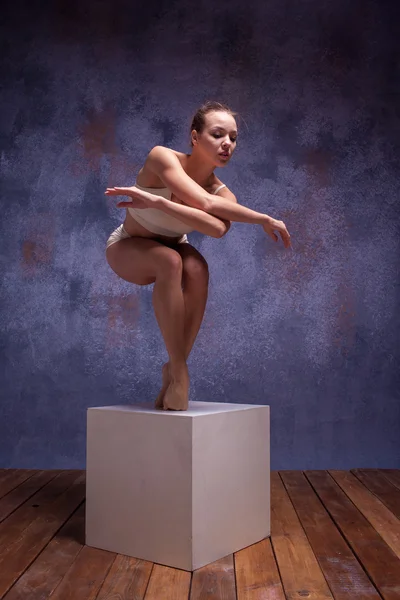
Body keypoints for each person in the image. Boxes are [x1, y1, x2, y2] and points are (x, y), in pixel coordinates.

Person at [105, 101, 291, 411]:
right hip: (127, 246)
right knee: (171, 260)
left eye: (233, 138)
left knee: (196, 267)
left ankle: (174, 370)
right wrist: (263, 218)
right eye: (218, 134)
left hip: (173, 247)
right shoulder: (161, 157)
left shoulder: (224, 195)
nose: (227, 144)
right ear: (194, 137)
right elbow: (202, 202)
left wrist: (158, 203)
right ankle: (180, 372)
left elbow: (218, 228)